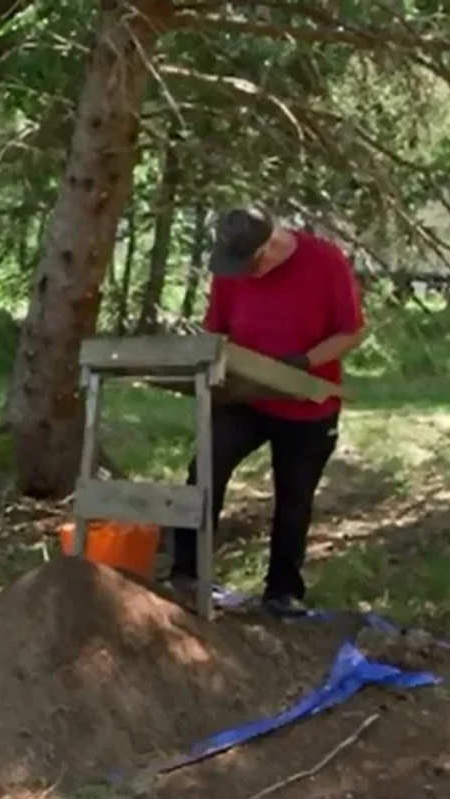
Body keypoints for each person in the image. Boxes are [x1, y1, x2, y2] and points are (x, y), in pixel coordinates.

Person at [169, 207, 367, 617]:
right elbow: (216, 329)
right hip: (245, 397)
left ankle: (281, 592)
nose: (243, 275)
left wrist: (304, 363)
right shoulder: (231, 270)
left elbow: (351, 330)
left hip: (307, 401)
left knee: (294, 497)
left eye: (250, 266)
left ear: (271, 245)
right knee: (205, 468)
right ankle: (186, 575)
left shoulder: (325, 260)